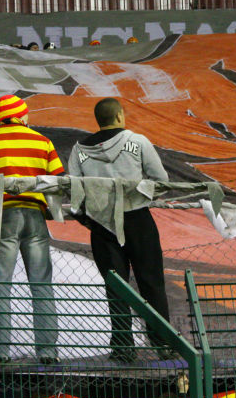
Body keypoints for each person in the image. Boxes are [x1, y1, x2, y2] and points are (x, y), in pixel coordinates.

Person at [67, 98, 174, 363]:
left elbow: (74, 192)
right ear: (119, 116)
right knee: (152, 283)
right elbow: (162, 182)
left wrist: (91, 218)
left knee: (116, 287)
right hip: (138, 220)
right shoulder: (138, 142)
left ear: (98, 120)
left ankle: (123, 348)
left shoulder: (78, 150)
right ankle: (163, 345)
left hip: (102, 226)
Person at [0, 95, 64, 365]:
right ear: (22, 116)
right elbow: (57, 178)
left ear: (0, 117)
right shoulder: (42, 141)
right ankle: (48, 352)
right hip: (34, 216)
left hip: (2, 215)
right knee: (41, 283)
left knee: (0, 284)